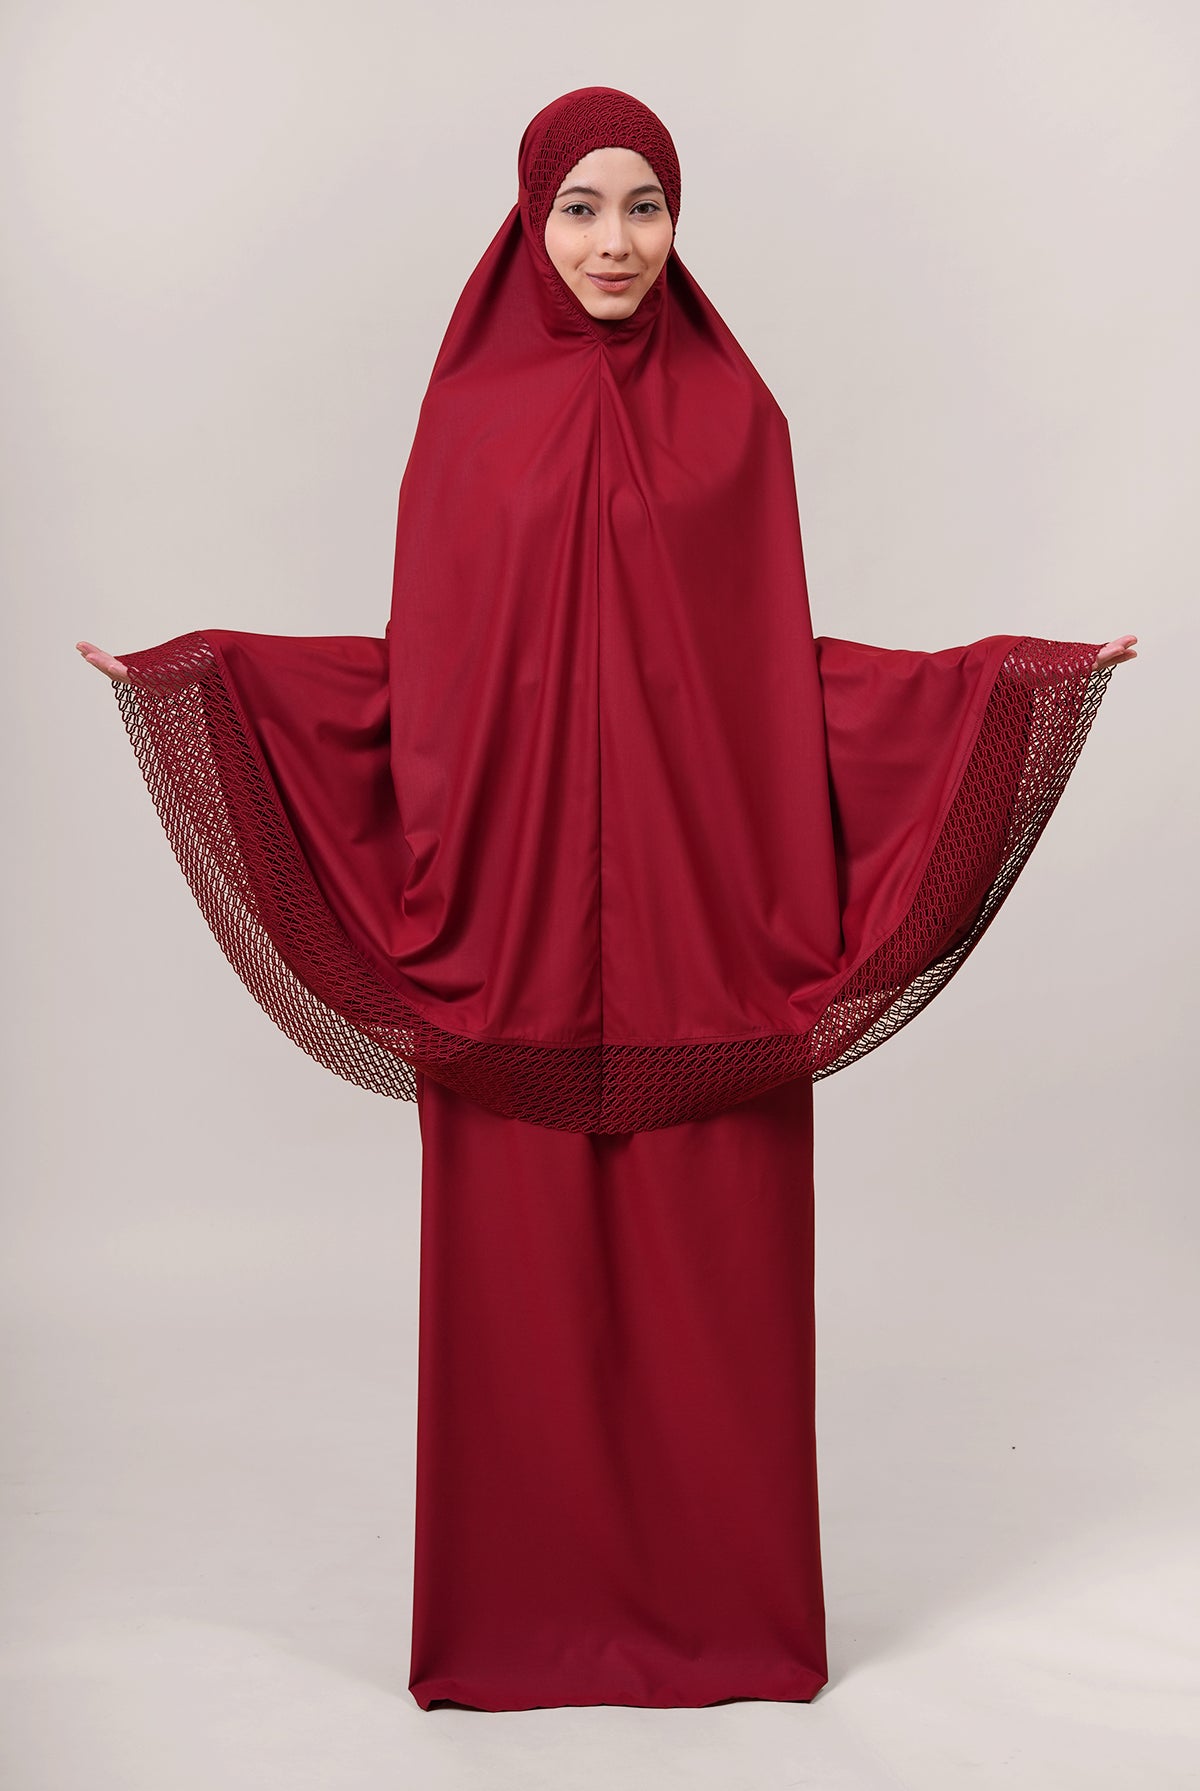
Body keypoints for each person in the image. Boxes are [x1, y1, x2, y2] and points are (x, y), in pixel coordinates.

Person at [75, 86, 1136, 1711]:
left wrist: (1003, 682)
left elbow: (777, 683)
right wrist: (212, 678)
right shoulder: (467, 425)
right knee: (514, 1303)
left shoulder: (739, 423)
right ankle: (510, 1628)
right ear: (528, 219)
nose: (615, 241)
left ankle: (731, 1626)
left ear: (677, 221)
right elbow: (422, 684)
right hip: (505, 930)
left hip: (708, 925)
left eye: (645, 205)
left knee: (718, 1293)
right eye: (581, 207)